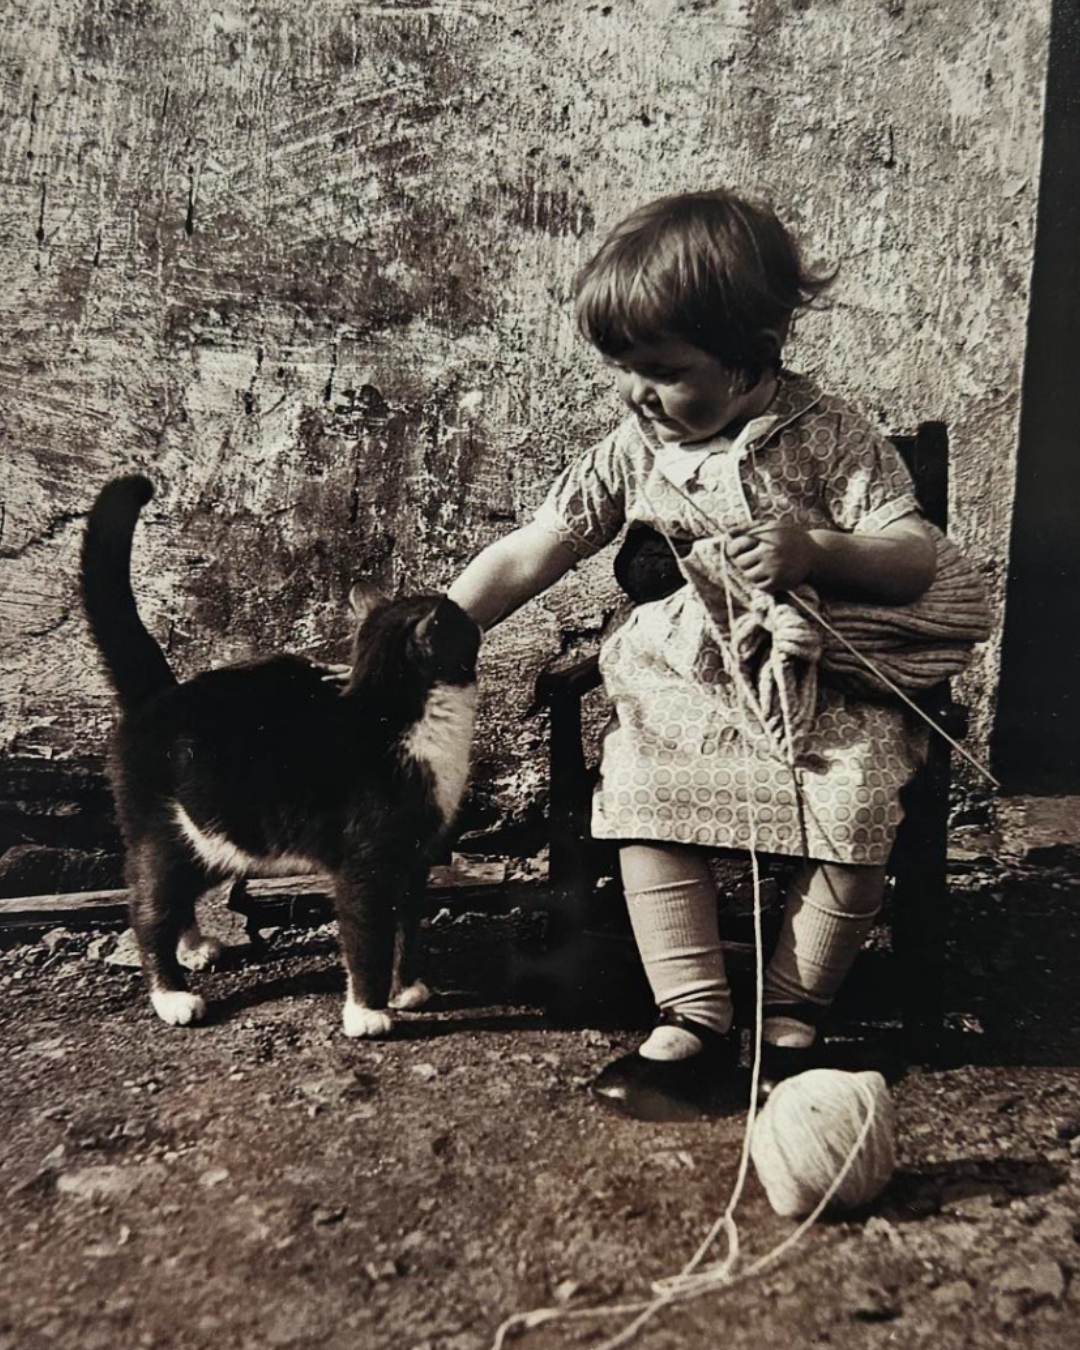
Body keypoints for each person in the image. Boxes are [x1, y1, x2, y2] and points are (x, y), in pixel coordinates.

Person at [447, 188, 938, 1115]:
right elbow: (536, 545)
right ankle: (694, 1014)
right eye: (622, 369)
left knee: (855, 800)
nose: (638, 392)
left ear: (752, 348)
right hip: (691, 686)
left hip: (814, 682)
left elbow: (913, 553)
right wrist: (444, 623)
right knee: (643, 788)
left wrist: (818, 548)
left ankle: (795, 1012)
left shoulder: (833, 438)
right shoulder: (636, 448)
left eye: (663, 369)